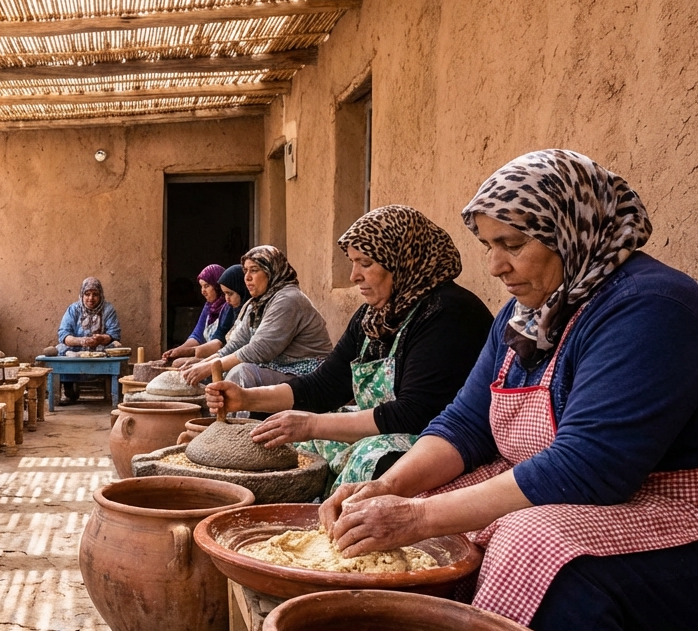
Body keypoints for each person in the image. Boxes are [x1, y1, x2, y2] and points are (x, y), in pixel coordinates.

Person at [312, 150, 698, 631]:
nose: (494, 266)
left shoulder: (652, 309)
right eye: (490, 246)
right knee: (432, 513)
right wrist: (391, 490)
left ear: (571, 232)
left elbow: (589, 467)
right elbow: (465, 425)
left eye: (513, 245)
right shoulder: (525, 316)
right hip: (600, 501)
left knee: (537, 555)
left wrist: (415, 516)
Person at [207, 208, 492, 491]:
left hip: (437, 441)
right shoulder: (374, 316)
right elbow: (325, 385)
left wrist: (313, 425)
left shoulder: (448, 313)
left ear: (402, 260)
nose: (354, 275)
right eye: (353, 262)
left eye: (365, 263)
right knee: (290, 445)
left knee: (367, 457)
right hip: (387, 427)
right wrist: (245, 399)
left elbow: (413, 413)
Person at [181, 246, 333, 387]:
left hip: (309, 374)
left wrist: (209, 367)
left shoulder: (288, 299)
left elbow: (259, 349)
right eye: (245, 271)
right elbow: (236, 344)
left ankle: (233, 418)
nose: (247, 277)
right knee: (218, 371)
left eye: (254, 270)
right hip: (281, 369)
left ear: (271, 271)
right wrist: (201, 365)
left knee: (242, 374)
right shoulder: (257, 303)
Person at [56, 277, 123, 404]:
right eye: (87, 294)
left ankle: (113, 394)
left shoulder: (108, 309)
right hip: (77, 350)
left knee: (116, 346)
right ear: (82, 294)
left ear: (100, 295)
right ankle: (69, 388)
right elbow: (64, 335)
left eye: (95, 294)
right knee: (60, 349)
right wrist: (82, 341)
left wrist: (102, 339)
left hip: (100, 349)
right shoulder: (73, 309)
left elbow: (114, 334)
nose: (91, 298)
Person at [161, 264, 237, 362]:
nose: (203, 291)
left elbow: (219, 342)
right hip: (207, 353)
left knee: (179, 363)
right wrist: (178, 350)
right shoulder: (209, 306)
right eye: (201, 287)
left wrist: (187, 352)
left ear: (218, 286)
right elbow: (197, 336)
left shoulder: (229, 306)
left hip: (221, 355)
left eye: (207, 286)